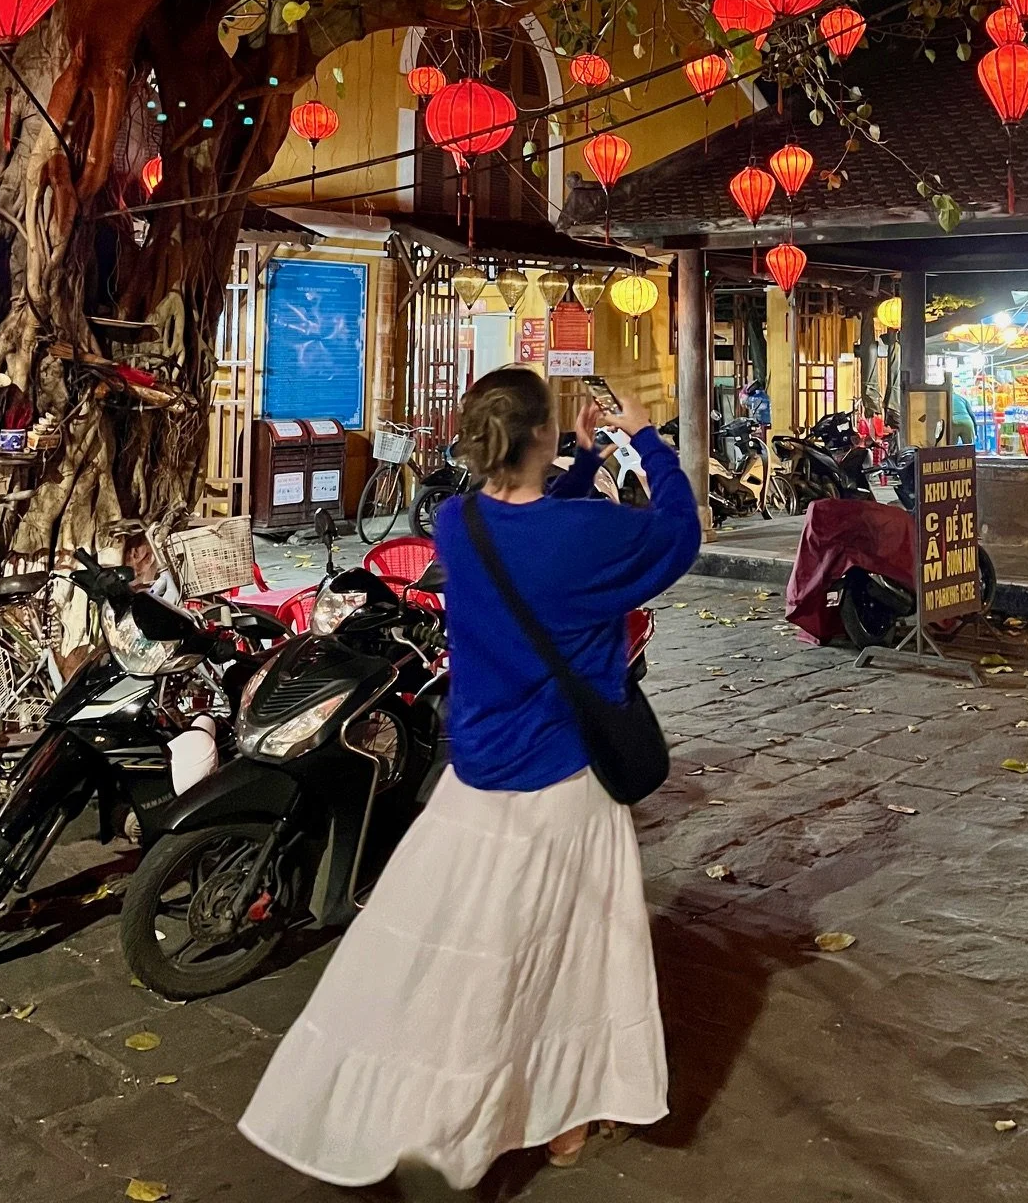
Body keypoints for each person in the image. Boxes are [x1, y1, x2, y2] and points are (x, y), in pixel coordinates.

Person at [239, 367, 701, 1191]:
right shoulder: (586, 536)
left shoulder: (458, 523)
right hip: (563, 776)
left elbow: (540, 528)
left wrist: (587, 460)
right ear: (539, 439)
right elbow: (676, 535)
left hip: (477, 770)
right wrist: (646, 440)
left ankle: (450, 1103)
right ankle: (554, 1114)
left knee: (472, 951)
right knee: (572, 950)